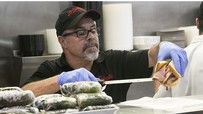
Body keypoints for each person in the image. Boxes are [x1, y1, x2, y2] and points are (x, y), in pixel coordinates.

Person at [21, 6, 188, 103]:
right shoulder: (51, 69)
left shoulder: (114, 61)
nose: (91, 37)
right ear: (62, 41)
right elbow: (24, 94)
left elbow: (151, 56)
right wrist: (60, 80)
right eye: (81, 33)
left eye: (93, 30)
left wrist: (163, 46)